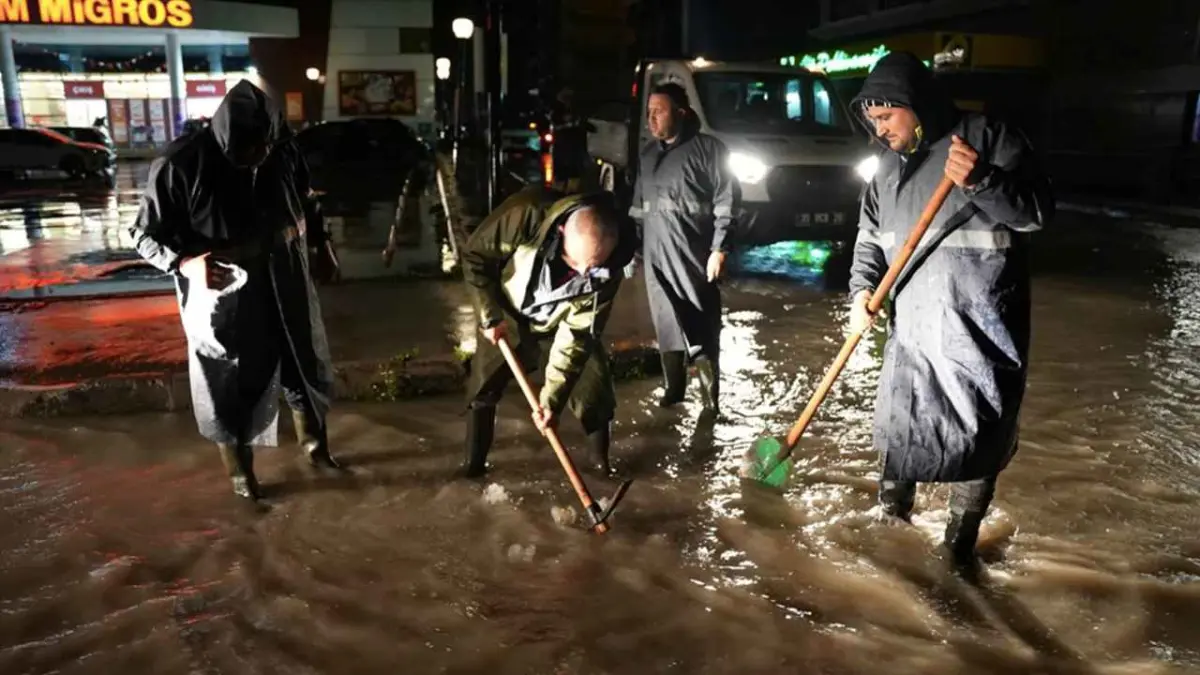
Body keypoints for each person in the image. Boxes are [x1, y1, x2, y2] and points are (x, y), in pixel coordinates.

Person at [847, 52, 1053, 565]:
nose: (878, 130)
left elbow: (1035, 214)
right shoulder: (885, 171)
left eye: (886, 117)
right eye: (871, 120)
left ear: (915, 105)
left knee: (977, 437)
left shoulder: (987, 140)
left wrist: (982, 180)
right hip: (911, 334)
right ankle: (890, 538)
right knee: (901, 431)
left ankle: (957, 554)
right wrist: (860, 293)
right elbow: (870, 241)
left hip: (979, 334)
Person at [129, 80, 344, 502]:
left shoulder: (283, 150)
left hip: (287, 273)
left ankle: (317, 454)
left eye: (265, 145)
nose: (258, 156)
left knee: (304, 363)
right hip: (224, 287)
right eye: (249, 149)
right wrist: (185, 263)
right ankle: (242, 478)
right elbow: (143, 234)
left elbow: (308, 201)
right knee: (229, 380)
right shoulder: (180, 164)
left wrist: (324, 247)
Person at [460, 184, 637, 478]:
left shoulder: (611, 266)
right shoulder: (526, 214)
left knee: (594, 389)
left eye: (593, 269)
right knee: (484, 388)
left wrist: (550, 401)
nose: (583, 275)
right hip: (509, 315)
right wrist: (489, 313)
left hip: (564, 322)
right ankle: (472, 469)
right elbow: (475, 256)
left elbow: (577, 336)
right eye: (577, 263)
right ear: (563, 231)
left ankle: (602, 469)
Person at [628, 82, 740, 414]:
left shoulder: (710, 150)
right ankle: (673, 391)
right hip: (655, 256)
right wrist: (633, 251)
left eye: (658, 111)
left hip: (693, 256)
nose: (651, 119)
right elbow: (638, 206)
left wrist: (720, 249)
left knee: (699, 323)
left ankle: (710, 404)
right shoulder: (648, 155)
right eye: (648, 112)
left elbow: (727, 201)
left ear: (681, 113)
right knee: (665, 321)